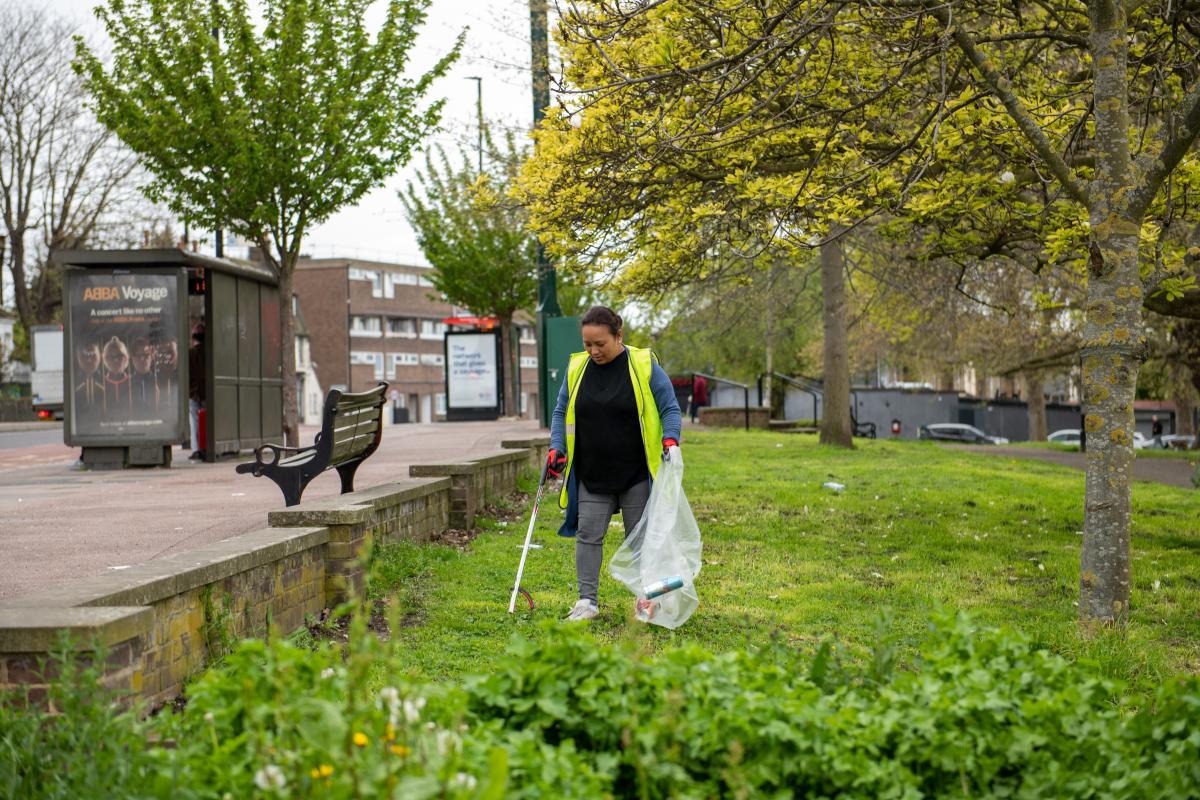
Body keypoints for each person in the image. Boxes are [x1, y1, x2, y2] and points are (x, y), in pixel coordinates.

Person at [548, 306, 683, 621]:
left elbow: (670, 407)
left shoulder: (642, 364)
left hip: (635, 470)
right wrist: (557, 446)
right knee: (588, 534)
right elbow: (560, 411)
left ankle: (647, 600)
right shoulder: (577, 368)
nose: (593, 351)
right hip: (593, 471)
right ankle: (586, 602)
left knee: (641, 538)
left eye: (600, 344)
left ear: (618, 336)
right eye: (587, 344)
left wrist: (671, 438)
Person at [188, 324, 206, 461]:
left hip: (193, 392)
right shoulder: (210, 352)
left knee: (194, 420)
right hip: (207, 392)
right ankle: (206, 446)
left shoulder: (190, 353)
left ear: (194, 338)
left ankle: (196, 449)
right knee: (207, 420)